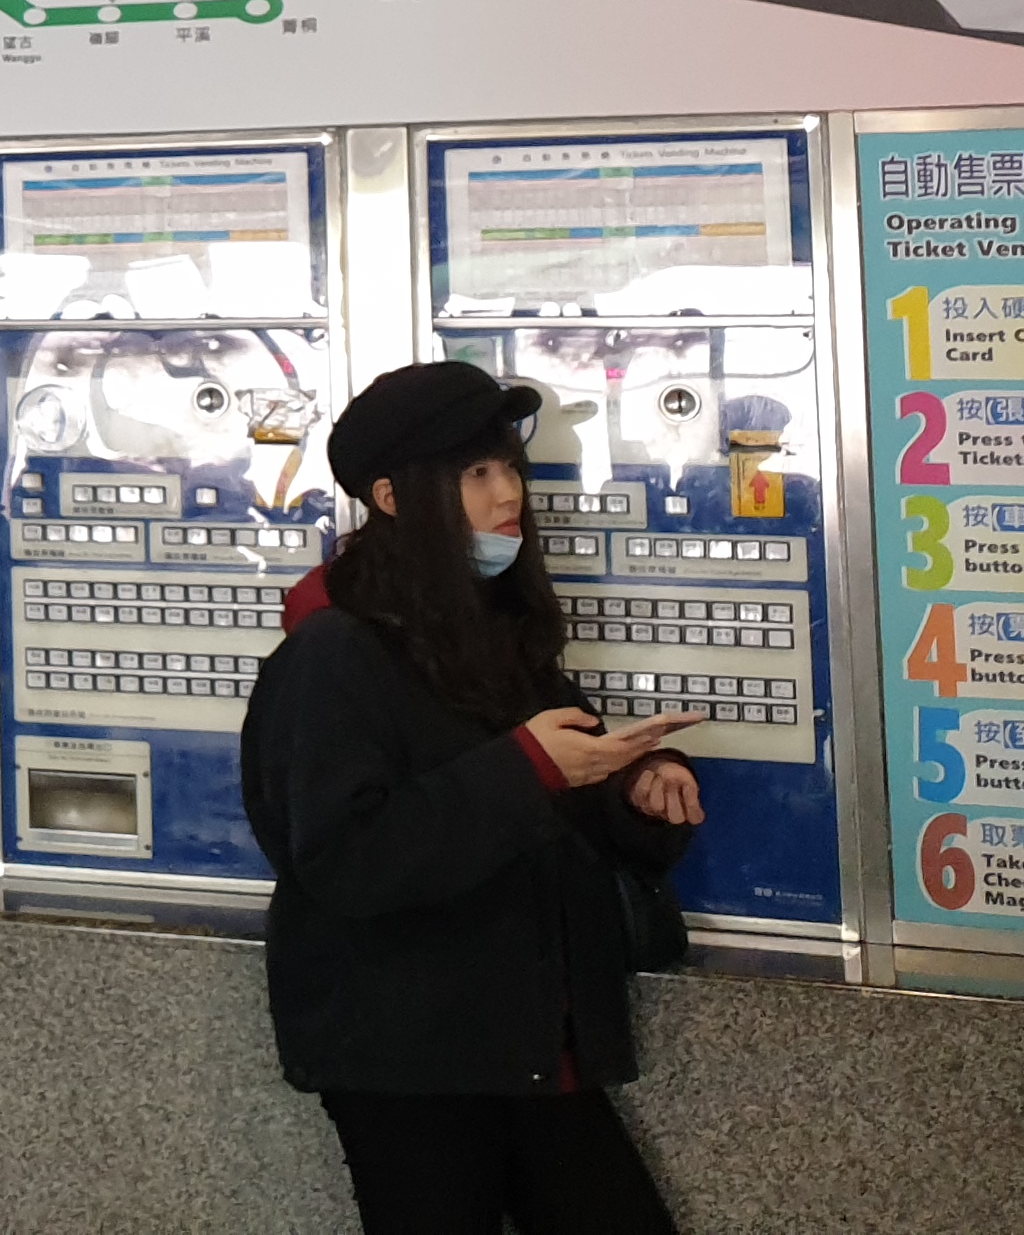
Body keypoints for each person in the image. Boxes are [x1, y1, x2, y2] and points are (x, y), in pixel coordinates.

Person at [240, 359, 709, 1235]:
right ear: (391, 497)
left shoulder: (495, 635)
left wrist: (636, 793)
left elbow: (559, 808)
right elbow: (344, 858)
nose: (509, 494)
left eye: (510, 468)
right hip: (408, 1056)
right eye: (477, 472)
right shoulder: (333, 653)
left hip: (528, 1040)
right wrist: (526, 768)